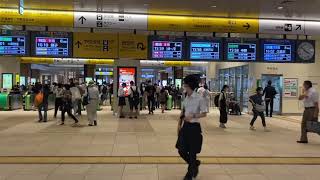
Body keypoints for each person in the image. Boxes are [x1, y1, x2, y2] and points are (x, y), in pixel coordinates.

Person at [176, 75, 207, 180]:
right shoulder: (186, 97)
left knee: (192, 152)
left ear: (189, 85)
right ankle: (194, 164)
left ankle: (189, 174)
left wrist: (193, 116)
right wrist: (179, 124)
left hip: (194, 127)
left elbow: (204, 113)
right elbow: (183, 111)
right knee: (181, 150)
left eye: (185, 84)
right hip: (185, 127)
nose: (184, 86)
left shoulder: (200, 98)